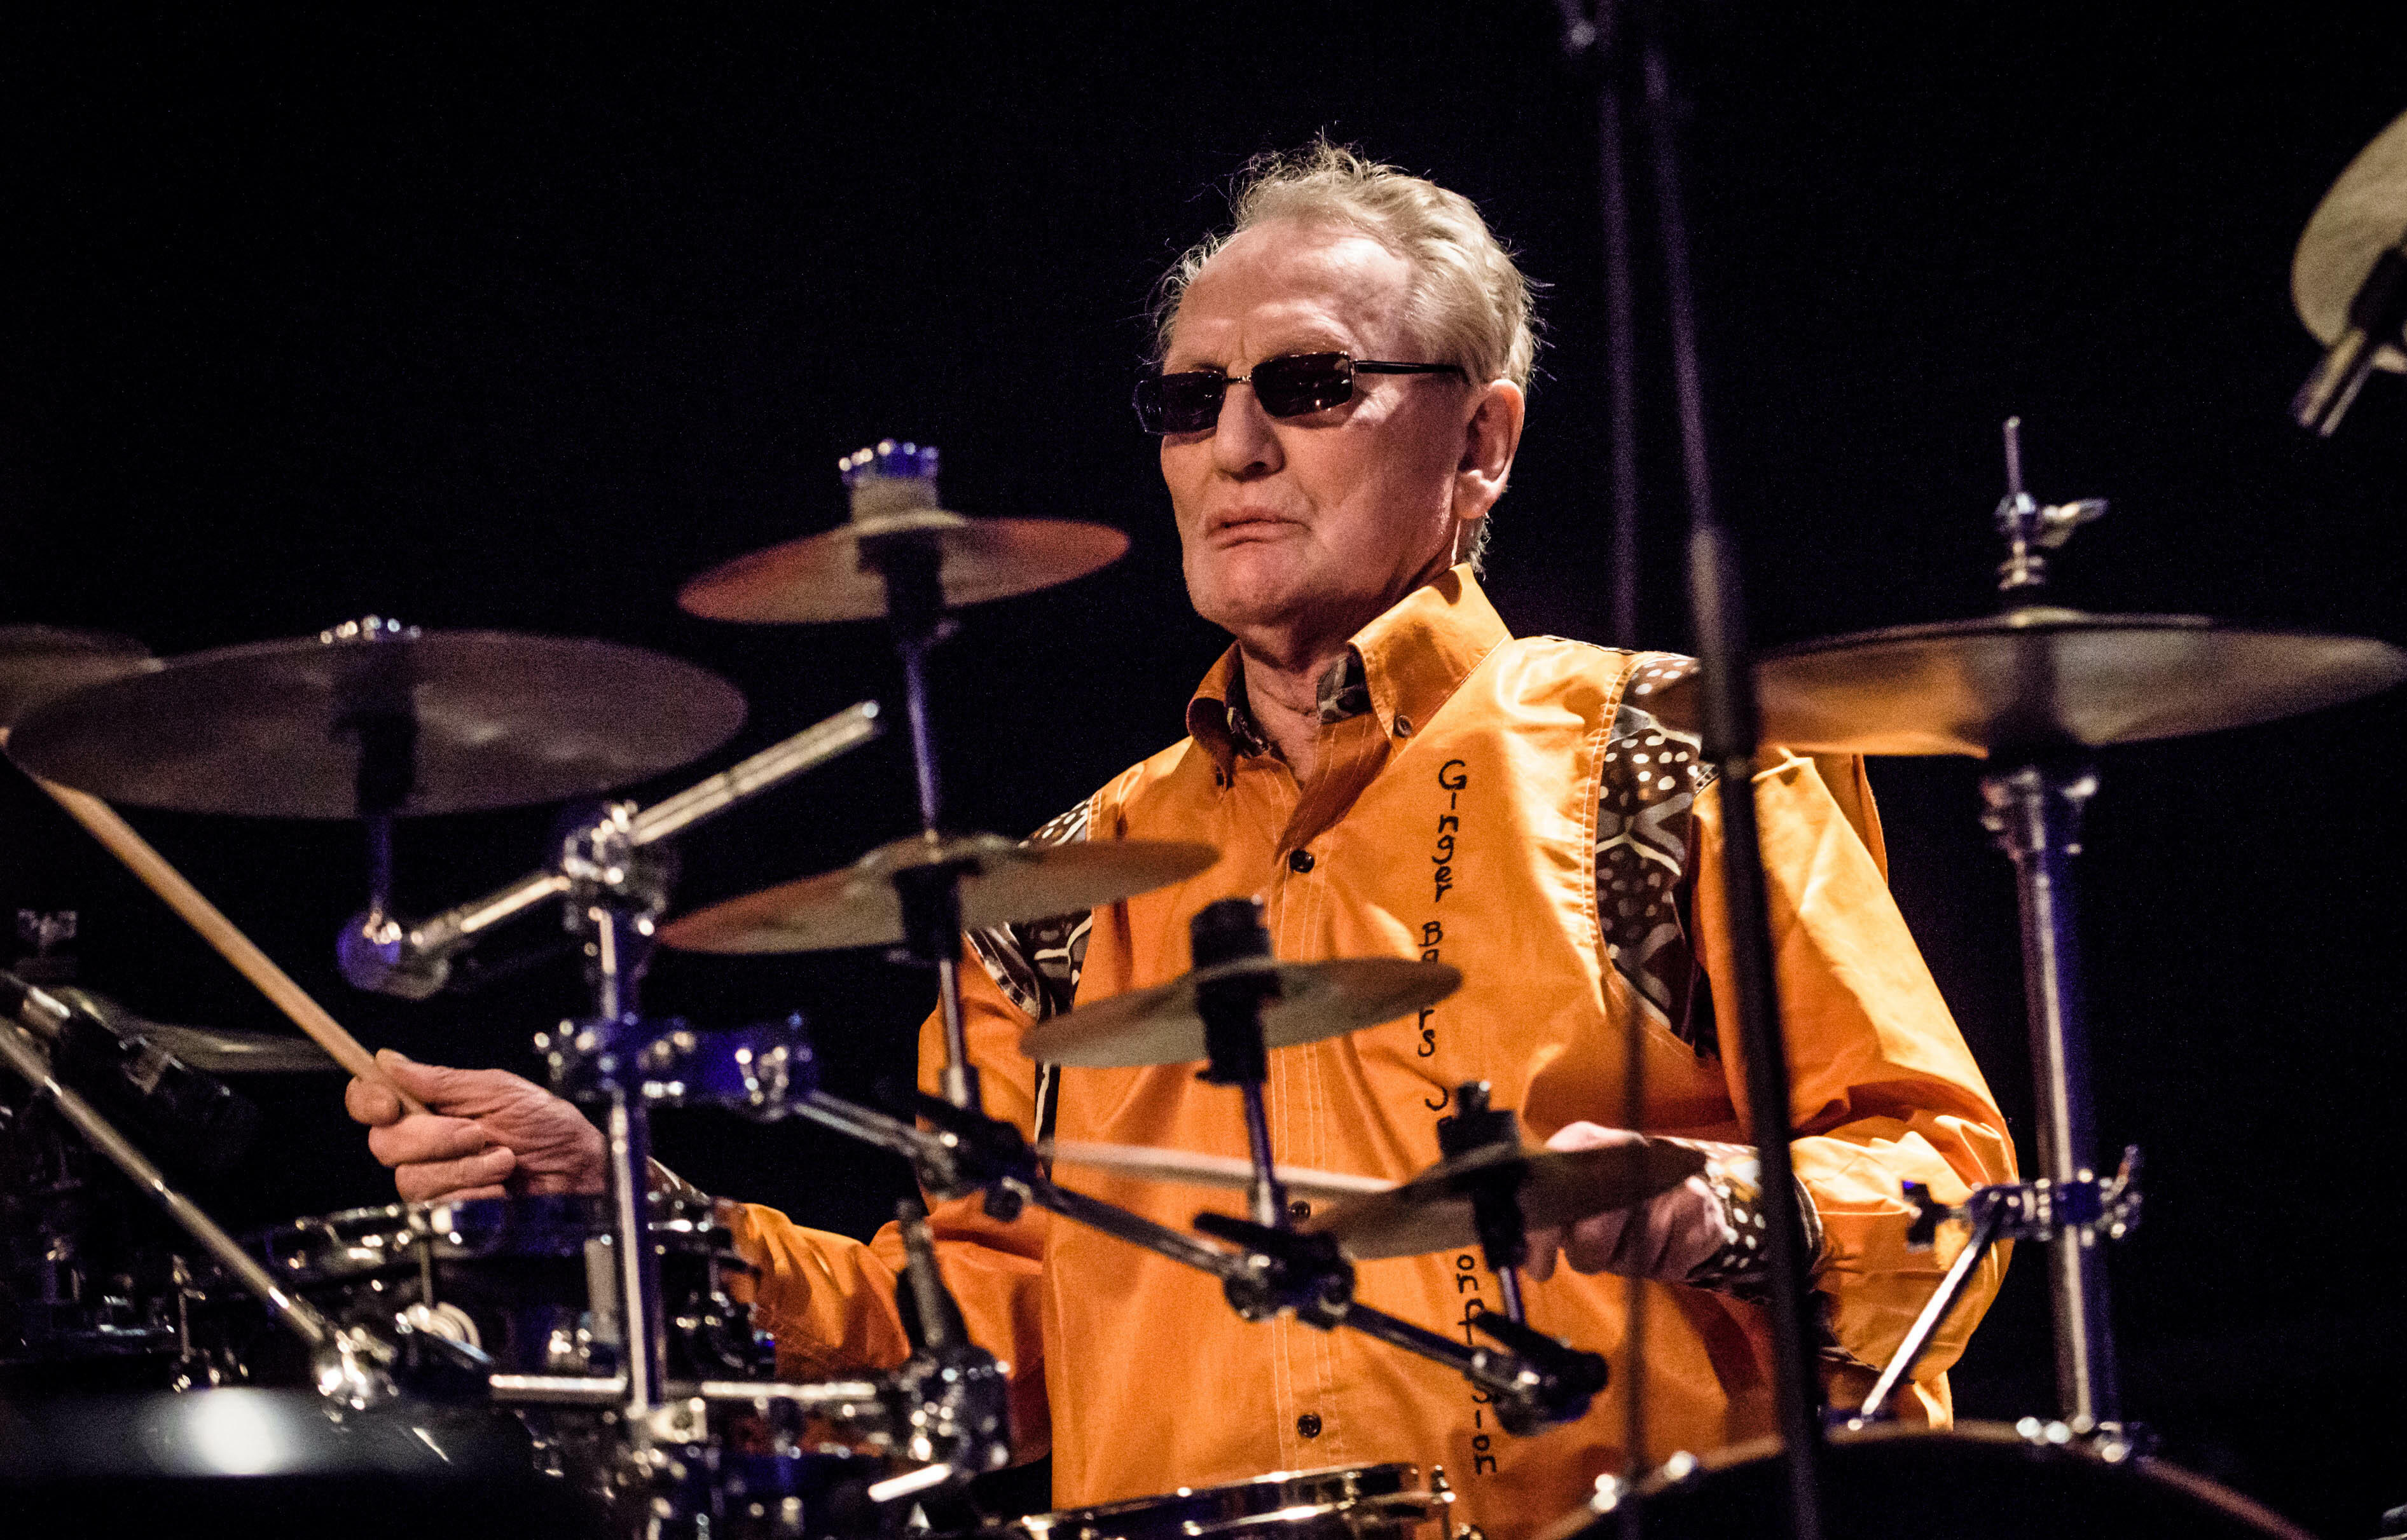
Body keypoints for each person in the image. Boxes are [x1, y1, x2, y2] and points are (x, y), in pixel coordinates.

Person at [348, 142, 2015, 1539]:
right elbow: (985, 1328)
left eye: (1311, 386)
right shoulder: (1059, 890)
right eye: (1188, 398)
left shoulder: (1661, 761)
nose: (1235, 446)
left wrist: (1710, 1206)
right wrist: (642, 1212)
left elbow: (1949, 1184)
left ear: (1484, 443)